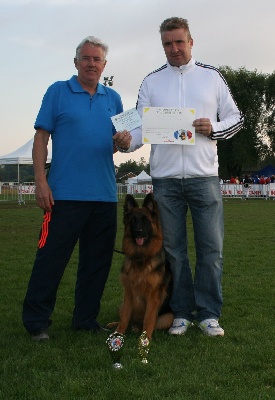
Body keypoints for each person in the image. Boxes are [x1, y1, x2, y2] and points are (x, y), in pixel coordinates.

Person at [115, 17, 244, 337]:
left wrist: (211, 128)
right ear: (163, 46)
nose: (173, 49)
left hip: (204, 178)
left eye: (178, 42)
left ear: (191, 42)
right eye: (167, 44)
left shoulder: (212, 77)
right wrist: (126, 142)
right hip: (166, 180)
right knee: (173, 251)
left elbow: (236, 119)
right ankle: (182, 313)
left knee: (211, 248)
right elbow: (138, 126)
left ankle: (210, 313)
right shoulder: (151, 82)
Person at [22, 36, 126, 341]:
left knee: (96, 263)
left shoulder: (114, 98)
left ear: (104, 65)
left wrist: (122, 142)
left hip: (105, 195)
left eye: (97, 60)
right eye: (85, 58)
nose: (91, 64)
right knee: (51, 260)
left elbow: (119, 143)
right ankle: (36, 322)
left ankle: (85, 318)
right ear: (76, 62)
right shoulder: (57, 91)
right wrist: (41, 181)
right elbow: (41, 139)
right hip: (64, 195)